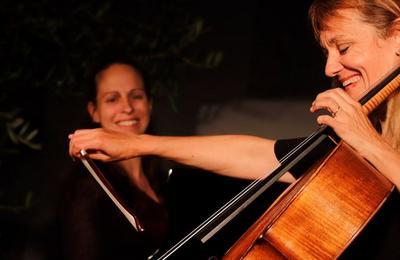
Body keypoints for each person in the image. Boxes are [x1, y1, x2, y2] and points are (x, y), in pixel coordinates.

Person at [69, 0, 400, 258]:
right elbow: (257, 154)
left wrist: (370, 142)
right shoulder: (364, 132)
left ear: (397, 35)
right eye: (326, 52)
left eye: (342, 48)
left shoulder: (364, 136)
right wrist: (140, 144)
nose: (330, 66)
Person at [63, 62, 169, 260]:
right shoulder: (87, 196)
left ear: (149, 104)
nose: (127, 108)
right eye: (112, 99)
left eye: (136, 96)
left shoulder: (163, 181)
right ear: (94, 111)